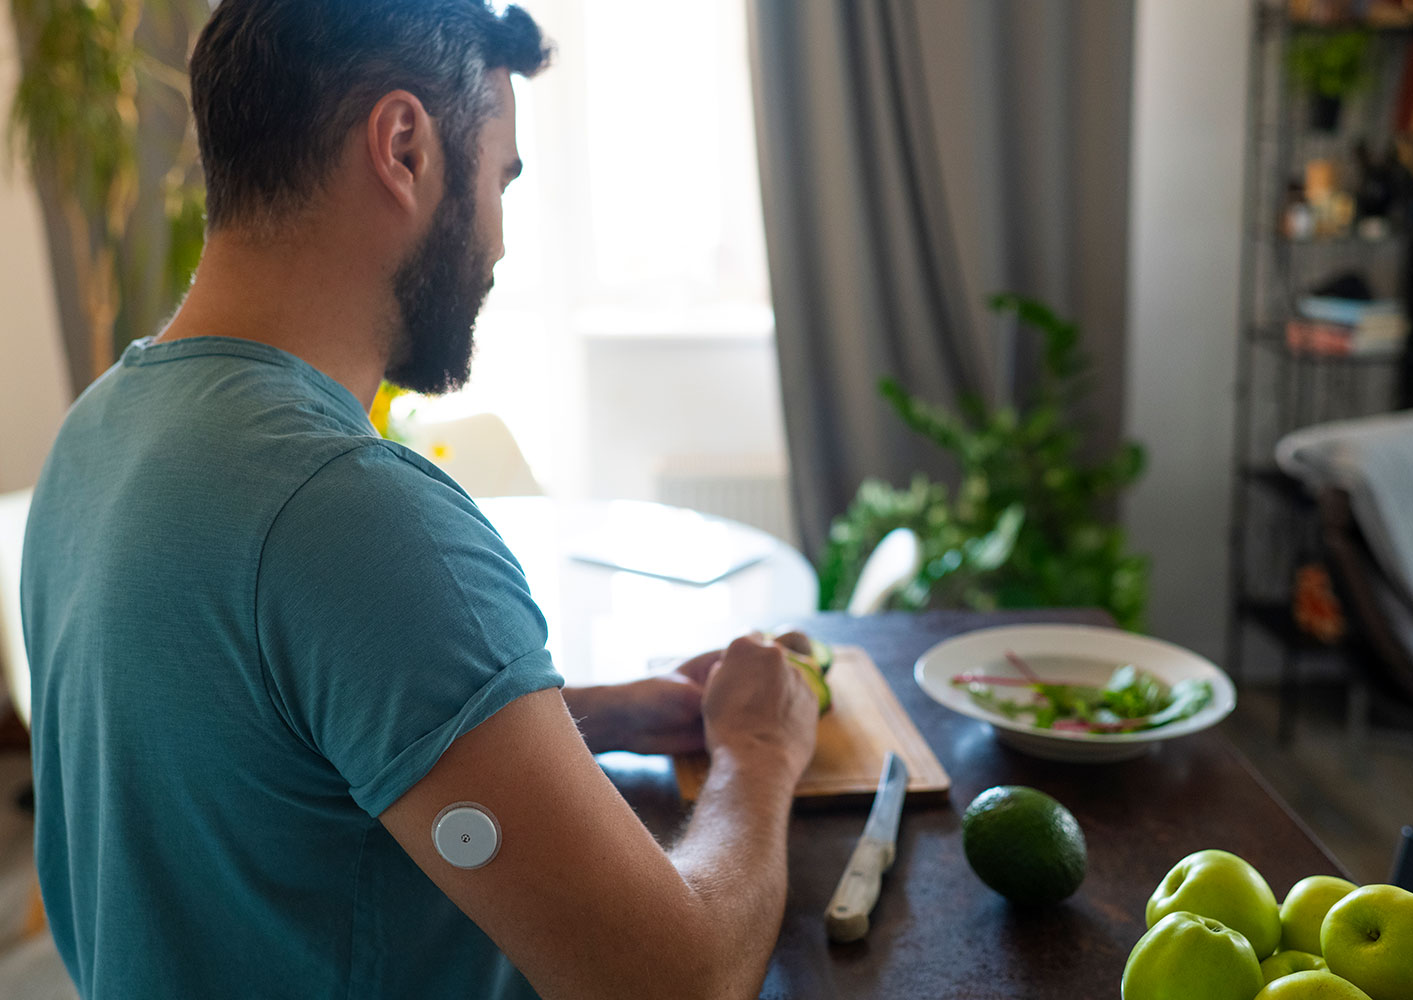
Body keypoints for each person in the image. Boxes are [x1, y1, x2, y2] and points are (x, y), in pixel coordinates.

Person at [20, 2, 819, 997]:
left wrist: (589, 718)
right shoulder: (356, 516)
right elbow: (679, 976)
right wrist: (760, 750)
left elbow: (261, 747)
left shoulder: (100, 428)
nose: (499, 240)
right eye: (500, 179)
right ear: (404, 147)